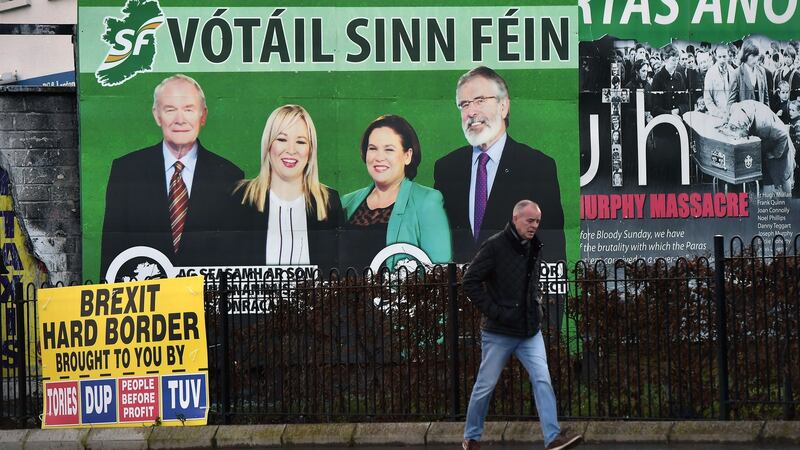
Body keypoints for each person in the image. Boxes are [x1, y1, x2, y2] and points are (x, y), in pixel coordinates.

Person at [461, 200, 581, 450]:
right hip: (498, 332)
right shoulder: (494, 246)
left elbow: (530, 286)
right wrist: (496, 312)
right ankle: (471, 438)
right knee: (485, 385)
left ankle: (552, 439)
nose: (534, 226)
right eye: (530, 220)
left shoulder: (534, 246)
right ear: (515, 218)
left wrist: (537, 309)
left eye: (537, 221)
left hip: (529, 332)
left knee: (542, 380)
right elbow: (469, 281)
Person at [100, 74, 243, 279]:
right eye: (170, 109)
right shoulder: (126, 170)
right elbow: (112, 252)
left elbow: (235, 256)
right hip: (148, 303)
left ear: (203, 116)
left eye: (188, 109)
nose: (180, 119)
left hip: (206, 303)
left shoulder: (230, 176)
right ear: (157, 115)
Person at [434, 66, 566, 265]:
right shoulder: (447, 168)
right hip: (461, 292)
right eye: (464, 104)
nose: (471, 112)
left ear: (503, 106)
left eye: (479, 100)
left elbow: (551, 246)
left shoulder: (537, 166)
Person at [231, 105, 343, 271]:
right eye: (282, 139)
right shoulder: (240, 198)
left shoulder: (329, 201)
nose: (291, 150)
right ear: (268, 144)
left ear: (311, 150)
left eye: (300, 142)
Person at [341, 115, 451, 270]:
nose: (379, 157)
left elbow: (440, 274)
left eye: (389, 149)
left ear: (407, 156)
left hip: (402, 294)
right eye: (372, 148)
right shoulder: (346, 202)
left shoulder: (428, 201)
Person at [719, 100, 795, 194]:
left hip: (779, 144)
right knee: (767, 176)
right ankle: (766, 202)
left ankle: (789, 203)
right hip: (766, 144)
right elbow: (733, 119)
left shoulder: (763, 125)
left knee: (784, 175)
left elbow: (783, 135)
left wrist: (775, 154)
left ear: (746, 127)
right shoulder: (738, 110)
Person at [729, 40, 770, 106]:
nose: (756, 59)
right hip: (743, 114)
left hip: (760, 114)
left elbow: (766, 98)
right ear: (745, 54)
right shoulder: (736, 73)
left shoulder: (762, 71)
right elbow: (731, 102)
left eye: (757, 55)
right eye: (753, 56)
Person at [704, 45, 733, 118]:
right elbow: (708, 99)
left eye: (724, 56)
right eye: (719, 57)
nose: (722, 60)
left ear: (728, 56)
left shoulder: (732, 71)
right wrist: (719, 114)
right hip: (716, 116)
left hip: (732, 114)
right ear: (716, 57)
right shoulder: (710, 73)